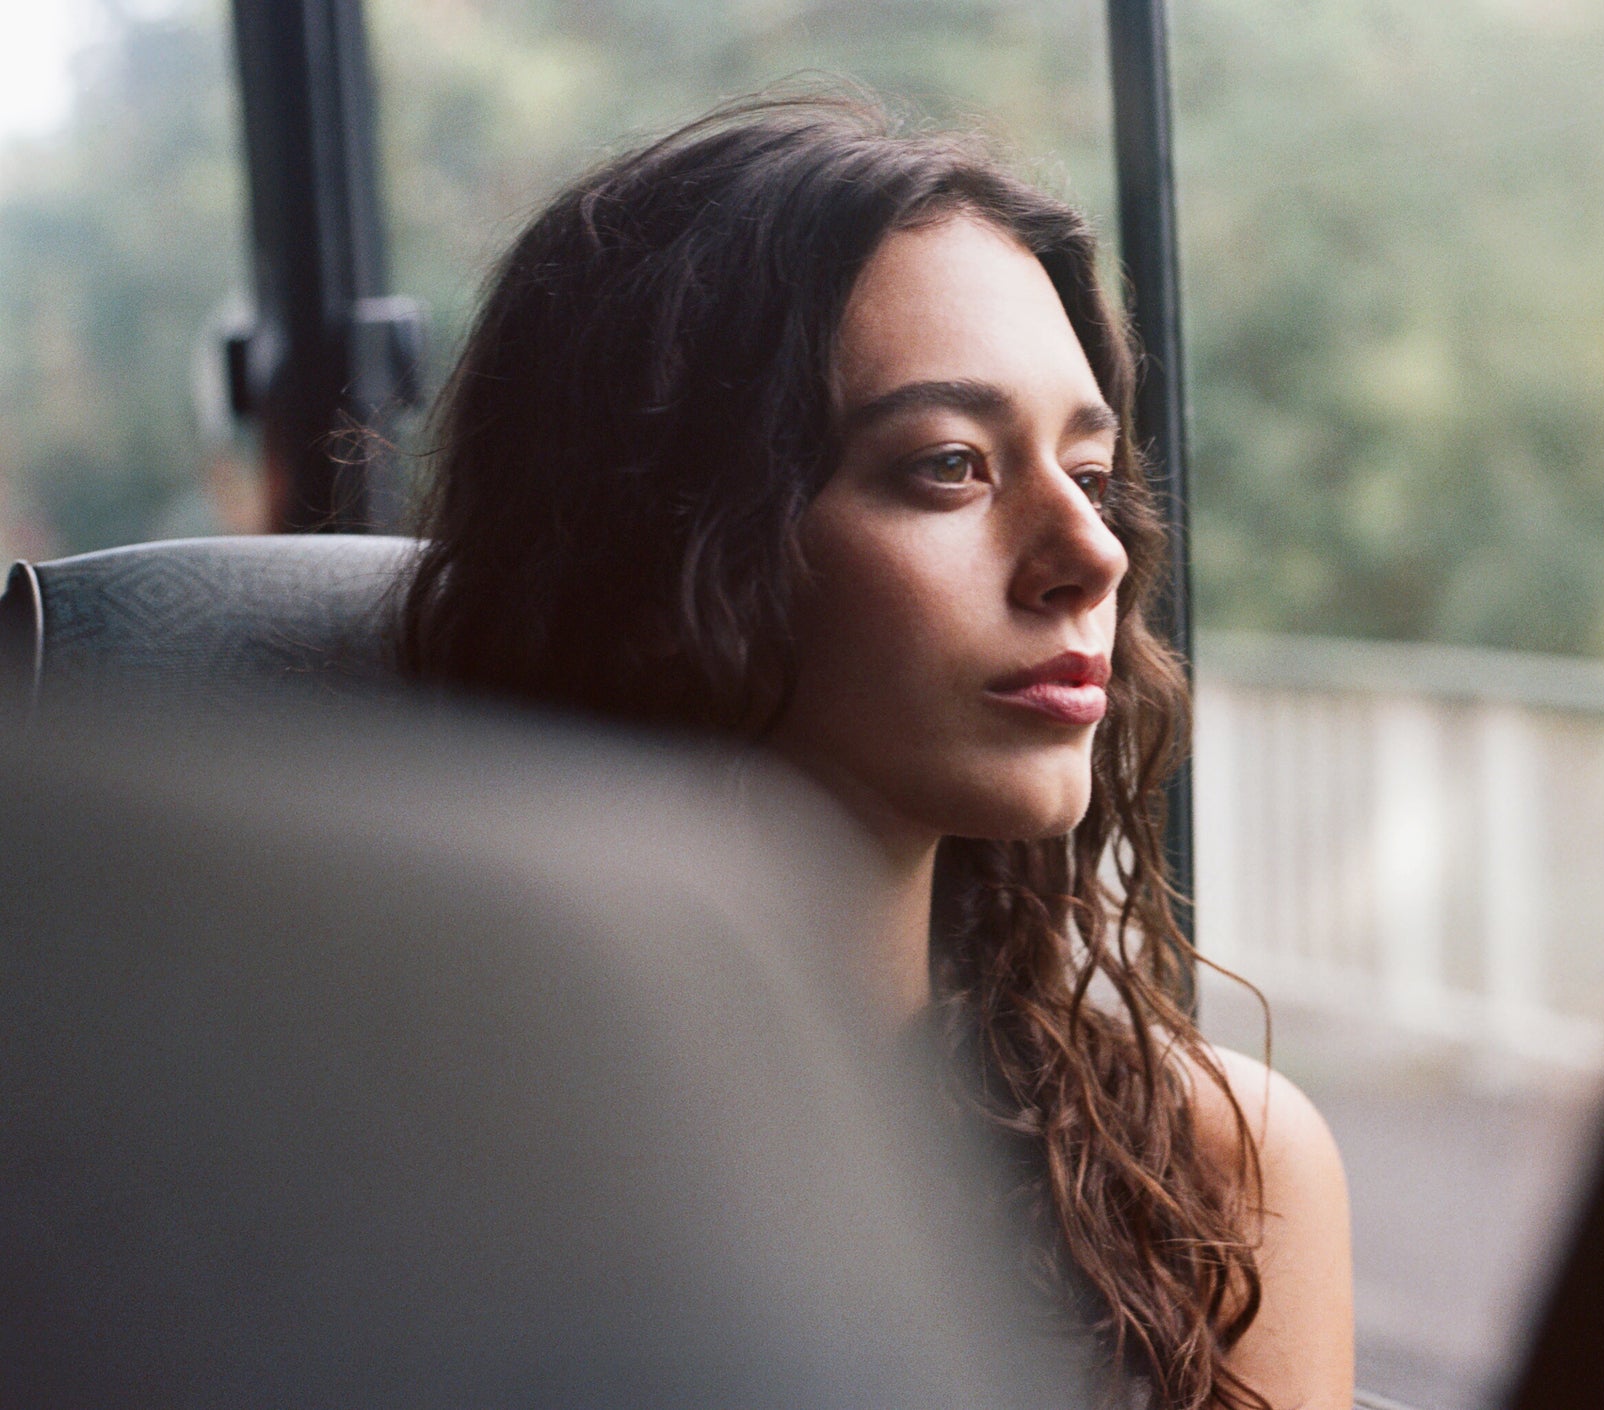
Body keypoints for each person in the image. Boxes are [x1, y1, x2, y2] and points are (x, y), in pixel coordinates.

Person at [396, 93, 1353, 1409]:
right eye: (951, 465)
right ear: (673, 537)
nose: (1091, 553)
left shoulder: (1211, 1168)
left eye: (1090, 467)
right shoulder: (372, 1184)